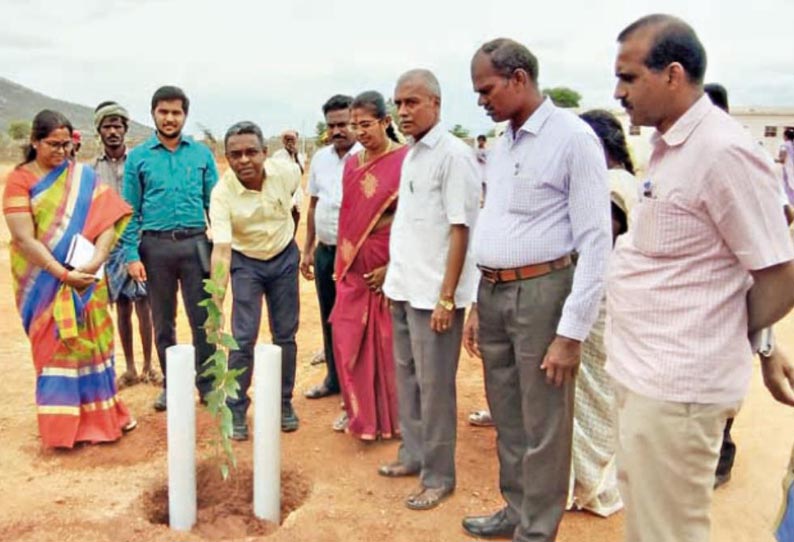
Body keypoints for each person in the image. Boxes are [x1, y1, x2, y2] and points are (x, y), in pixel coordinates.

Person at [608, 15, 794, 542]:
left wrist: (729, 330)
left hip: (679, 388)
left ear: (671, 75)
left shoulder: (722, 152)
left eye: (628, 78)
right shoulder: (671, 150)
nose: (618, 92)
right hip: (645, 375)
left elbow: (779, 273)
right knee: (648, 522)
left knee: (668, 532)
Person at [463, 38, 611, 541]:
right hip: (495, 293)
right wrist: (476, 303)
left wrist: (571, 334)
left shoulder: (573, 137)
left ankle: (537, 530)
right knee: (506, 412)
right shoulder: (503, 143)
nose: (481, 101)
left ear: (519, 78)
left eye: (486, 89)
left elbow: (596, 242)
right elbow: (494, 220)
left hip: (544, 292)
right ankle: (516, 508)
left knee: (544, 421)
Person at [378, 69, 481, 510]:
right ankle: (414, 454)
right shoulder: (413, 154)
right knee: (409, 379)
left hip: (435, 298)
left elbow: (461, 230)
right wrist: (392, 280)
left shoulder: (454, 155)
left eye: (412, 102)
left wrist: (447, 297)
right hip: (405, 288)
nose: (403, 111)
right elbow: (410, 224)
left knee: (436, 387)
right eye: (398, 103)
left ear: (436, 104)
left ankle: (439, 476)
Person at [3, 109, 136, 448]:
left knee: (95, 344)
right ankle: (64, 430)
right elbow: (24, 238)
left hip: (86, 279)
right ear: (35, 142)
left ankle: (103, 420)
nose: (61, 152)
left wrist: (94, 262)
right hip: (42, 283)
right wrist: (63, 274)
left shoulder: (82, 177)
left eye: (67, 145)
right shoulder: (20, 180)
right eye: (53, 144)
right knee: (55, 346)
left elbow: (109, 220)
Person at [121, 85, 218, 412]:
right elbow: (129, 211)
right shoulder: (138, 157)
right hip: (155, 248)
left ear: (184, 116)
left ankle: (206, 385)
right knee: (163, 321)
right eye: (163, 112)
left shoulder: (201, 154)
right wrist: (131, 255)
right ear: (153, 114)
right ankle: (172, 385)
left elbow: (215, 205)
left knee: (203, 318)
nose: (170, 118)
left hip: (195, 245)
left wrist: (219, 250)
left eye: (176, 112)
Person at [208, 121, 302, 438]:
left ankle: (283, 402)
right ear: (227, 157)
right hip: (246, 262)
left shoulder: (286, 172)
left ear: (265, 152)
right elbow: (221, 251)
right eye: (235, 155)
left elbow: (295, 202)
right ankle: (236, 408)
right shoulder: (221, 195)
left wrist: (290, 233)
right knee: (243, 337)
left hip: (284, 256)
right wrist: (216, 304)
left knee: (285, 335)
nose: (244, 160)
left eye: (251, 152)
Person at [567, 109, 637, 518]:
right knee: (602, 392)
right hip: (619, 299)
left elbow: (599, 244)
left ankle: (590, 482)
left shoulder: (607, 186)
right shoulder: (629, 181)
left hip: (597, 298)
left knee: (587, 392)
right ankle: (597, 478)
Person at [329, 90, 408, 441]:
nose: (359, 132)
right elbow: (349, 216)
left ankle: (391, 421)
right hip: (353, 264)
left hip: (389, 259)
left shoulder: (406, 160)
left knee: (387, 342)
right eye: (354, 125)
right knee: (347, 335)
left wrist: (393, 265)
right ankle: (359, 414)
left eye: (366, 124)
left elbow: (414, 219)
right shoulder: (352, 163)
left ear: (386, 122)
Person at [300, 95, 360, 424]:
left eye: (344, 123)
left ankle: (356, 394)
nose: (338, 130)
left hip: (356, 256)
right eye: (332, 125)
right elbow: (313, 206)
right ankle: (333, 380)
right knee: (329, 318)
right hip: (325, 251)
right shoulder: (321, 159)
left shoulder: (365, 157)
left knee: (354, 322)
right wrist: (308, 248)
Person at [93, 101, 154, 387]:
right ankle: (129, 368)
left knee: (145, 304)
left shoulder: (139, 162)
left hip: (141, 241)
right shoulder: (92, 170)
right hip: (111, 246)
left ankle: (149, 366)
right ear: (99, 131)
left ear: (126, 130)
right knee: (121, 307)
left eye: (118, 126)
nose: (113, 131)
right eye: (108, 126)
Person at [272, 130, 305, 232]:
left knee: (295, 217)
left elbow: (301, 172)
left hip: (296, 194)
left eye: (292, 139)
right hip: (282, 193)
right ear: (283, 141)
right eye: (287, 139)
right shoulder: (277, 155)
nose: (290, 142)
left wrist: (295, 157)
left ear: (296, 141)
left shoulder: (299, 156)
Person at [778, 127, 794, 204]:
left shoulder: (784, 146)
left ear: (786, 136)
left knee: (788, 186)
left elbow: (782, 159)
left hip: (788, 169)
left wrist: (771, 160)